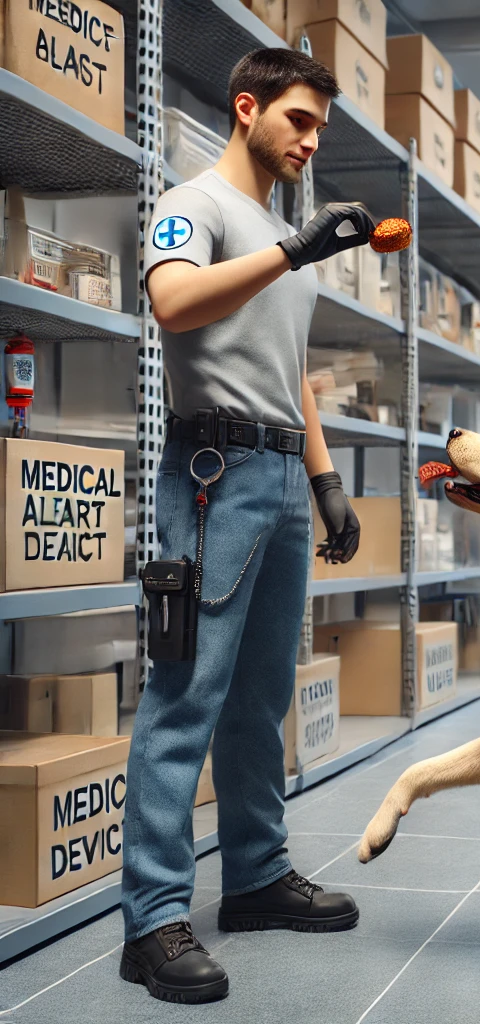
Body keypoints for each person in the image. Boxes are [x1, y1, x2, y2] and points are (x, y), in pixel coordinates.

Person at [120, 48, 376, 1004]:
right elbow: (173, 301)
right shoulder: (199, 206)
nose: (310, 141)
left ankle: (258, 877)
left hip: (276, 475)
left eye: (319, 127)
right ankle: (151, 922)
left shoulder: (273, 229)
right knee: (185, 695)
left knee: (261, 696)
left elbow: (292, 368)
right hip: (211, 475)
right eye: (299, 121)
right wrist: (297, 250)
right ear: (247, 108)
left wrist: (326, 482)